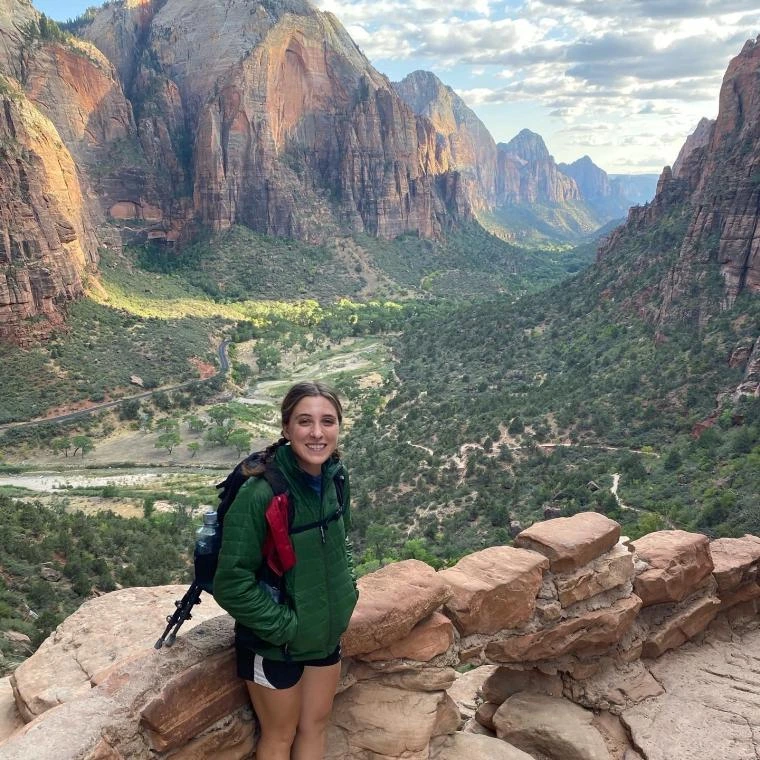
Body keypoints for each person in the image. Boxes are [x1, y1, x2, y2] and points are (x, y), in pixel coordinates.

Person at [213, 380, 358, 760]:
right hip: (276, 645)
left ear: (338, 427)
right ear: (286, 427)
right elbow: (230, 583)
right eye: (304, 421)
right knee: (279, 736)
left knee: (316, 725)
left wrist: (346, 596)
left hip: (323, 635)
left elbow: (342, 546)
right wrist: (287, 628)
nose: (317, 433)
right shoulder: (261, 493)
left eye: (328, 421)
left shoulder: (335, 478)